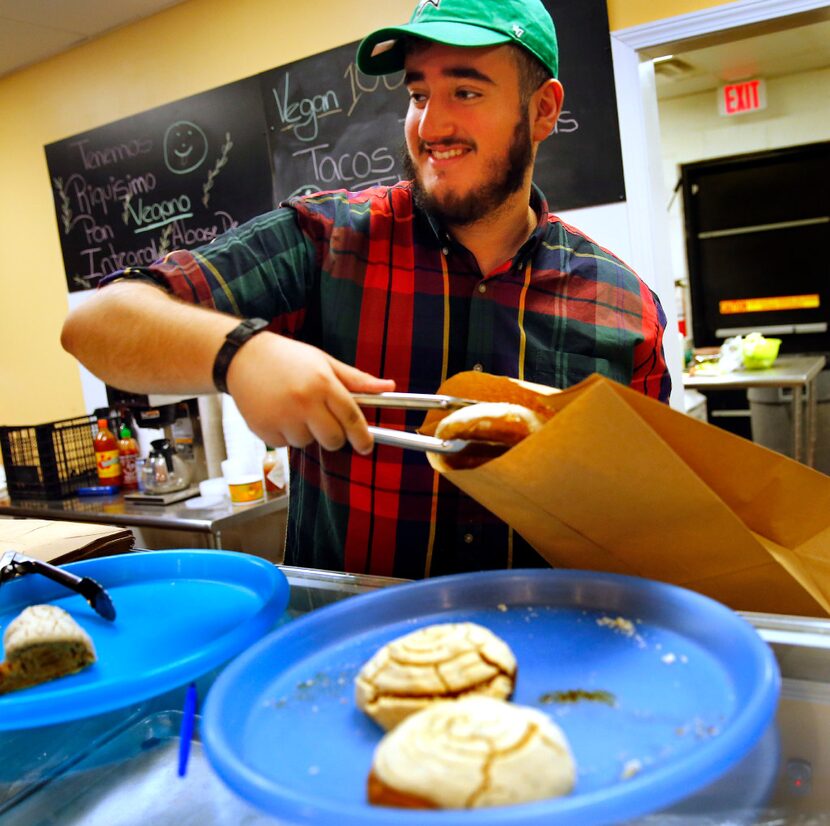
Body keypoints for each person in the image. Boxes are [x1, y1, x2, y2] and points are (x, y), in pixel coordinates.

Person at [61, 0, 671, 579]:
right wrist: (241, 355)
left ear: (542, 110)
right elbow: (99, 323)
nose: (431, 125)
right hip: (352, 658)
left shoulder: (621, 305)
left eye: (465, 91)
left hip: (555, 656)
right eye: (418, 94)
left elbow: (650, 516)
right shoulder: (328, 242)